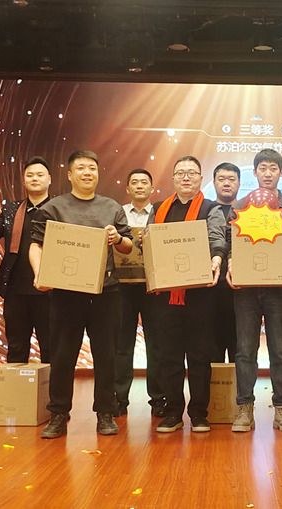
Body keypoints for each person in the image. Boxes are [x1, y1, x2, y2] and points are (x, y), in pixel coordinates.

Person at [30, 150, 134, 439]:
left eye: (92, 168)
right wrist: (39, 273)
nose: (87, 173)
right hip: (66, 294)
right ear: (69, 174)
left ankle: (105, 413)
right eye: (81, 168)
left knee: (107, 356)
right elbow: (36, 244)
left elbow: (128, 246)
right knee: (63, 356)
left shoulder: (111, 207)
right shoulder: (54, 208)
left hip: (106, 292)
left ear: (98, 173)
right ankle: (58, 414)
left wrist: (117, 238)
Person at [227, 148, 282, 433]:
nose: (268, 173)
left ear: (281, 173)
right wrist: (231, 265)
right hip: (245, 290)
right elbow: (231, 242)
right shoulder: (240, 205)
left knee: (281, 350)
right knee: (245, 350)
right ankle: (244, 409)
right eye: (262, 168)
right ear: (255, 172)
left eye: (273, 168)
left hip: (277, 289)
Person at [148, 156, 227, 433]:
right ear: (173, 178)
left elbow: (217, 238)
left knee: (199, 356)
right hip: (165, 295)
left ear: (200, 178)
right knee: (169, 356)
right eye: (180, 173)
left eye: (191, 173)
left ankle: (199, 414)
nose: (185, 177)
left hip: (200, 295)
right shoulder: (158, 209)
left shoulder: (211, 208)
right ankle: (172, 413)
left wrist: (216, 259)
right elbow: (149, 241)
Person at [0, 156, 52, 364]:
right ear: (24, 181)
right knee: (16, 348)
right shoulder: (12, 209)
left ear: (49, 179)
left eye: (40, 175)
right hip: (16, 291)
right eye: (30, 175)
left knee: (51, 348)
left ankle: (54, 387)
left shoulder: (59, 209)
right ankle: (17, 386)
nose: (35, 178)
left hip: (50, 292)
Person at [114, 169, 165, 418]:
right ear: (128, 188)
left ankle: (158, 399)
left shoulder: (160, 213)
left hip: (153, 285)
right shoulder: (118, 213)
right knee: (122, 344)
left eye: (144, 182)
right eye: (134, 182)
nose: (139, 186)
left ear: (151, 188)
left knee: (157, 344)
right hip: (122, 286)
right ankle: (119, 399)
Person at [210, 162, 241, 363]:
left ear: (239, 183)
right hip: (210, 288)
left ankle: (240, 384)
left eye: (231, 179)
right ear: (214, 182)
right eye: (221, 179)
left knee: (240, 347)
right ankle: (216, 384)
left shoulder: (247, 211)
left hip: (241, 289)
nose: (226, 183)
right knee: (213, 347)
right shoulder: (206, 210)